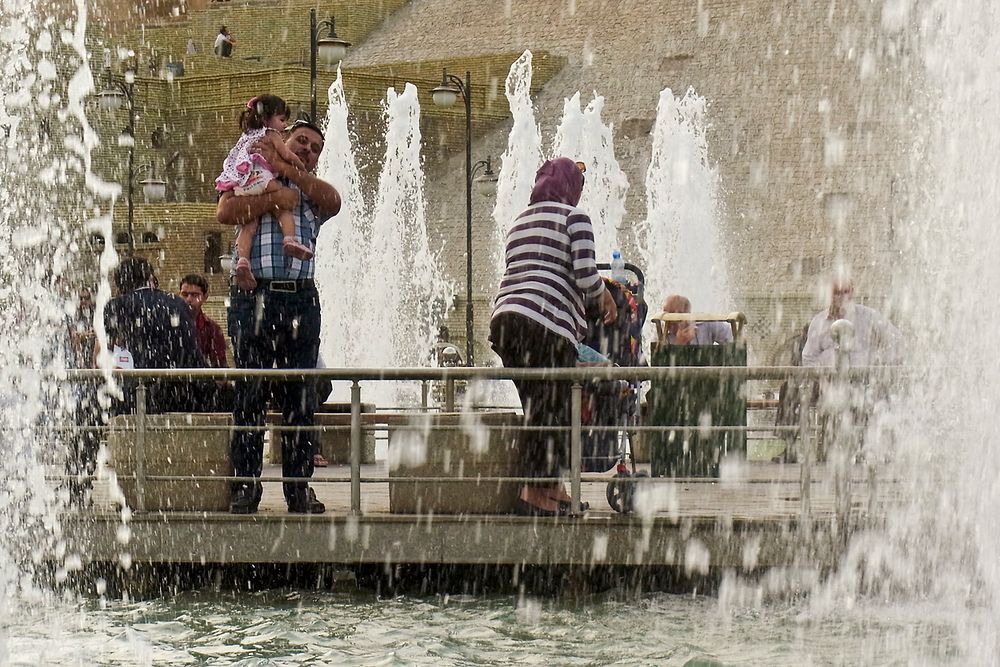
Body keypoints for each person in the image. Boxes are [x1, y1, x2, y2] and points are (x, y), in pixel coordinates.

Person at [218, 118, 341, 515]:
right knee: (250, 394)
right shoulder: (253, 176)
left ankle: (298, 488)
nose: (308, 149)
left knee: (300, 398)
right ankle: (246, 486)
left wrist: (290, 172)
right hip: (254, 297)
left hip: (300, 301)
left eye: (315, 147)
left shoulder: (310, 193)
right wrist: (274, 198)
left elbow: (334, 200)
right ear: (282, 140)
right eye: (301, 141)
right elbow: (226, 210)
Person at [490, 157, 617, 516]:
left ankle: (551, 487)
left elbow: (524, 270)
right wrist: (605, 296)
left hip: (507, 322)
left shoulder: (519, 222)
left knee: (539, 406)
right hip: (545, 325)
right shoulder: (574, 217)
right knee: (552, 410)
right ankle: (533, 495)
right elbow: (586, 274)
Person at [216, 95, 313, 292]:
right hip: (263, 178)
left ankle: (243, 261)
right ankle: (290, 239)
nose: (284, 126)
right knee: (283, 205)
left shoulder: (246, 137)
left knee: (248, 227)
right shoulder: (271, 135)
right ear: (267, 119)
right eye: (282, 120)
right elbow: (287, 155)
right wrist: (298, 167)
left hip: (243, 181)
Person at [103, 257, 207, 414]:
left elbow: (105, 349)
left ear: (121, 284)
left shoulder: (117, 305)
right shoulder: (177, 303)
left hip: (141, 388)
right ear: (150, 278)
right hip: (183, 387)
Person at [801, 278, 901, 368]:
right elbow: (809, 358)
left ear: (852, 293)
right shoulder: (818, 322)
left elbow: (897, 341)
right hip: (828, 384)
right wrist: (822, 377)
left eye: (845, 292)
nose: (841, 297)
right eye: (836, 292)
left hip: (865, 383)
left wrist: (879, 364)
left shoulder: (870, 316)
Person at [179, 274, 227, 369]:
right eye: (184, 295)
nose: (188, 299)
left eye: (194, 295)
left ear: (205, 297)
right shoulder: (168, 323)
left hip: (201, 379)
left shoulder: (212, 328)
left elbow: (219, 368)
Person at [660, 294, 734, 346]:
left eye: (671, 313)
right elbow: (660, 366)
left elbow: (734, 337)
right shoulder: (660, 333)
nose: (668, 320)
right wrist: (679, 343)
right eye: (666, 313)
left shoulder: (705, 323)